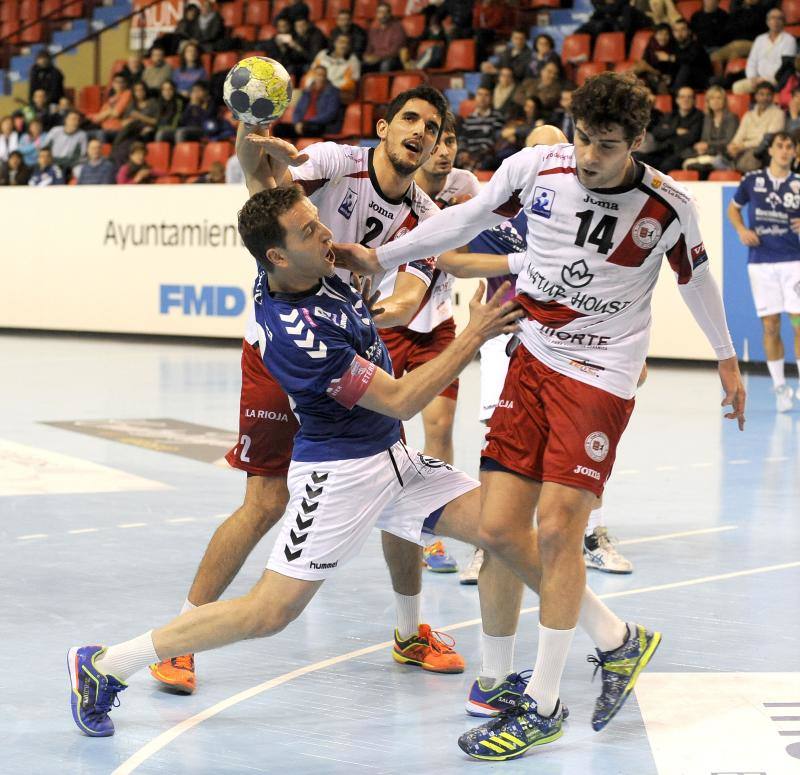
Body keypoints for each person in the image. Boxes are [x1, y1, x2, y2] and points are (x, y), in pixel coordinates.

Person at [334, 71, 746, 759]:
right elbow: (463, 219)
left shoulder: (667, 204)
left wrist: (727, 359)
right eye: (584, 138)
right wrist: (380, 255)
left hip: (602, 371)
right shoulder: (539, 167)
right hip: (533, 355)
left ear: (636, 142)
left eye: (607, 146)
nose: (589, 156)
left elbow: (696, 278)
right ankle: (618, 641)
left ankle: (545, 703)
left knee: (557, 529)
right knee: (497, 528)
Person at [67, 182, 526, 739]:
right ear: (277, 256)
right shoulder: (295, 331)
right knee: (269, 613)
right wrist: (470, 336)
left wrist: (385, 262)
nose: (327, 231)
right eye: (310, 229)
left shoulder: (313, 268)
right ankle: (104, 664)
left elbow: (388, 270)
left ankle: (517, 673)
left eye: (318, 220)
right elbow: (402, 399)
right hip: (338, 475)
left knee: (504, 531)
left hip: (395, 461)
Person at [147, 88, 482, 695]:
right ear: (383, 126)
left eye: (432, 128)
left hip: (350, 349)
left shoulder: (428, 218)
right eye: (409, 118)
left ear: (437, 146)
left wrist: (367, 315)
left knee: (393, 477)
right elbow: (264, 185)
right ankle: (182, 637)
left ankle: (409, 632)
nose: (420, 132)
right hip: (283, 357)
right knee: (265, 502)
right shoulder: (333, 163)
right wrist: (253, 132)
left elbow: (409, 295)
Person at [405, 112, 482, 574]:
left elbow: (487, 233)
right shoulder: (398, 181)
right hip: (387, 323)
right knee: (377, 434)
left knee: (440, 427)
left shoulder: (465, 185)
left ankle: (429, 533)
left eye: (450, 140)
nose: (444, 149)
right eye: (437, 139)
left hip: (437, 322)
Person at [728, 131, 800, 411]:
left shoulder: (797, 183)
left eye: (789, 147)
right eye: (779, 146)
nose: (784, 151)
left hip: (794, 261)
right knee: (770, 326)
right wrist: (742, 230)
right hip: (761, 263)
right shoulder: (752, 181)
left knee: (797, 323)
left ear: (795, 153)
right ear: (771, 150)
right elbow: (733, 210)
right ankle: (780, 387)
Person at [637, 86, 704, 172]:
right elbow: (657, 133)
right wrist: (675, 131)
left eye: (689, 97)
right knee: (638, 158)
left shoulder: (699, 116)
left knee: (666, 165)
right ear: (677, 100)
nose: (685, 100)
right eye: (682, 97)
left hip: (682, 153)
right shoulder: (670, 115)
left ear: (694, 100)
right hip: (663, 152)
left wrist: (667, 134)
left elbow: (691, 138)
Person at [732, 8, 796, 95]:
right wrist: (753, 78)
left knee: (765, 89)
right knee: (737, 87)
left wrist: (767, 80)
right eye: (772, 18)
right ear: (767, 22)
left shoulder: (789, 40)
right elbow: (752, 62)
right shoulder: (759, 39)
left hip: (776, 81)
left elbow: (785, 67)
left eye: (779, 18)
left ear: (784, 22)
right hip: (757, 80)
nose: (775, 21)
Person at [727, 81, 786, 172]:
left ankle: (732, 167)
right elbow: (740, 134)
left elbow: (766, 139)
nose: (765, 98)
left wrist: (742, 146)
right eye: (761, 94)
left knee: (750, 159)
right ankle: (730, 167)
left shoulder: (779, 114)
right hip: (742, 149)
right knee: (724, 154)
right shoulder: (749, 114)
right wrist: (734, 145)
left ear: (773, 96)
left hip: (761, 151)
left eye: (768, 94)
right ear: (756, 96)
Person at [682, 84, 739, 175]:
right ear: (708, 102)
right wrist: (702, 147)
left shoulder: (731, 118)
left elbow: (728, 141)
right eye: (712, 98)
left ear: (724, 101)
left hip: (724, 155)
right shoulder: (707, 118)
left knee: (707, 164)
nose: (715, 101)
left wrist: (707, 145)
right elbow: (705, 139)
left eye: (719, 98)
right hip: (709, 153)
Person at [286, 66, 341, 138]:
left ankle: (297, 137)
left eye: (323, 75)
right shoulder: (307, 91)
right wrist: (297, 123)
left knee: (311, 128)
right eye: (318, 75)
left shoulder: (333, 92)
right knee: (279, 128)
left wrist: (307, 122)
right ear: (314, 76)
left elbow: (330, 114)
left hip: (320, 125)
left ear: (326, 76)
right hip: (303, 124)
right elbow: (297, 110)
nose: (320, 78)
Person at [460, 86, 506, 171]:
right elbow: (463, 138)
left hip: (486, 157)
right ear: (475, 97)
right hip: (469, 157)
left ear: (491, 98)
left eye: (486, 95)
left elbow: (494, 139)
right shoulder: (469, 118)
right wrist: (463, 152)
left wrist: (476, 156)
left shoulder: (497, 117)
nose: (482, 98)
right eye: (480, 94)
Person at [308, 34, 360, 102]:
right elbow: (312, 73)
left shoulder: (353, 60)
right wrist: (312, 84)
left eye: (347, 43)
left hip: (338, 92)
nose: (344, 45)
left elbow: (351, 83)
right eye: (341, 42)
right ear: (335, 43)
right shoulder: (323, 54)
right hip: (318, 88)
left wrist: (328, 88)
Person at [362, 2, 407, 73]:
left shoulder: (397, 28)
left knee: (386, 64)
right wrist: (366, 56)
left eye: (385, 12)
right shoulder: (374, 31)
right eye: (380, 12)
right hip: (376, 59)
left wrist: (378, 58)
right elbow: (369, 48)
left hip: (392, 59)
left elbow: (395, 51)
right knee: (360, 64)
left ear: (389, 14)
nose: (382, 15)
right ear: (377, 14)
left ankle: (382, 84)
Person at [671, 18, 712, 93]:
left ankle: (674, 95)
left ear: (689, 31)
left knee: (686, 67)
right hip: (684, 82)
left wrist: (670, 58)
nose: (679, 33)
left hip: (701, 81)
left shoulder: (696, 46)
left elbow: (689, 59)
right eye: (676, 30)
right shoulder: (674, 47)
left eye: (683, 29)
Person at [89, 73, 133, 142]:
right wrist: (109, 113)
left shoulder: (127, 94)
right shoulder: (110, 99)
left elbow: (116, 113)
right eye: (116, 82)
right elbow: (97, 119)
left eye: (122, 82)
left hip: (117, 129)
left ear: (125, 84)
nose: (119, 84)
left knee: (100, 134)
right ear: (112, 84)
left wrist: (107, 113)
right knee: (82, 134)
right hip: (104, 128)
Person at [44, 109, 88, 174]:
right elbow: (45, 148)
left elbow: (81, 155)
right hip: (52, 162)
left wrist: (66, 163)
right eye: (73, 119)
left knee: (79, 170)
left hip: (70, 165)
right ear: (66, 120)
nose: (76, 122)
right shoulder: (55, 131)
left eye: (78, 120)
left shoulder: (82, 135)